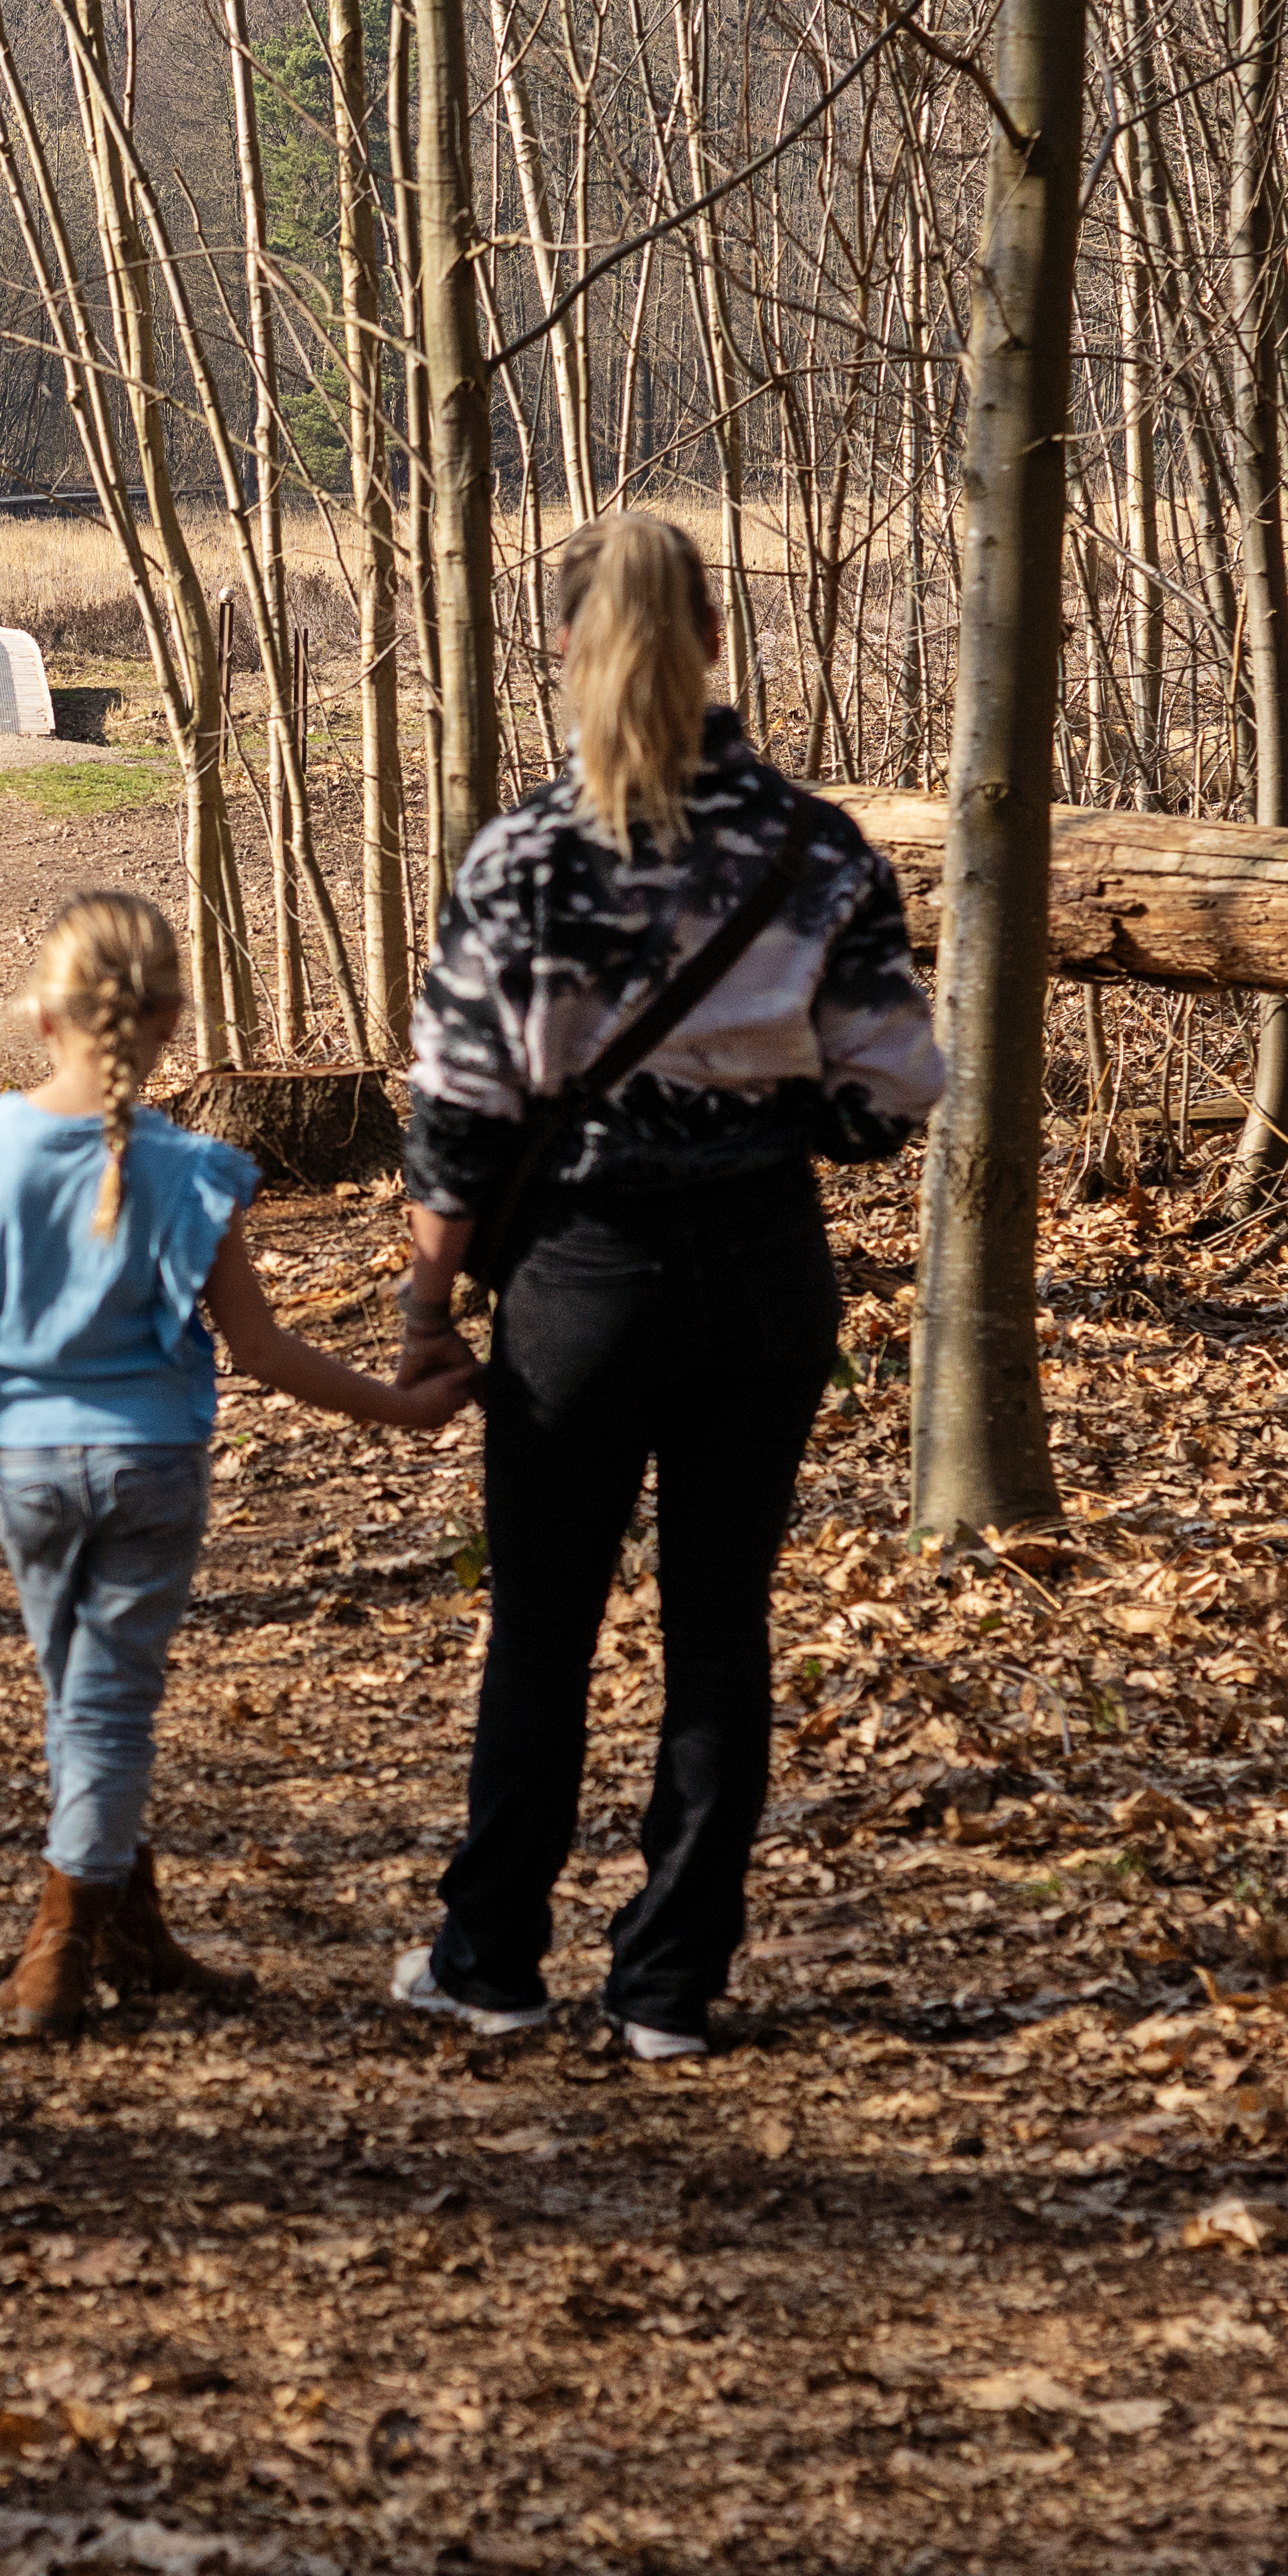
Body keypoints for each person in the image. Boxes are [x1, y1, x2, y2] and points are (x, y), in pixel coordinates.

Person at [385, 509, 942, 2057]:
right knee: (720, 1623)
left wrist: (432, 1302)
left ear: (564, 652)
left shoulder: (520, 859)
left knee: (547, 1620)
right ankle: (670, 1986)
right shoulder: (818, 849)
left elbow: (459, 1109)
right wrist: (781, 1124)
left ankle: (490, 1959)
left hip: (577, 1277)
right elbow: (894, 1088)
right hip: (764, 1273)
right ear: (712, 639)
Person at [0, 891, 472, 2040]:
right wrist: (396, 1409)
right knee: (103, 1704)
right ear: (173, 1022)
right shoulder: (193, 1169)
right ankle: (82, 1938)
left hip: (26, 1466)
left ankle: (99, 1931)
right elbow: (260, 1350)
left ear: (43, 1017)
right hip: (153, 1468)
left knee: (85, 1696)